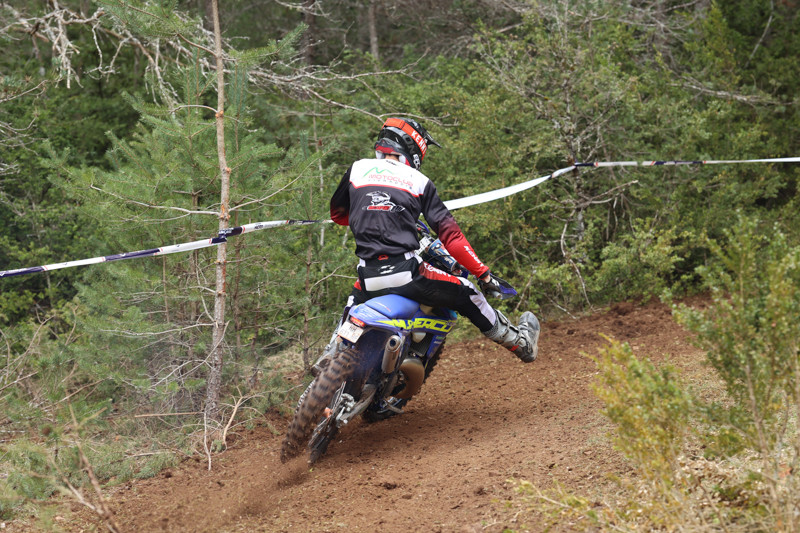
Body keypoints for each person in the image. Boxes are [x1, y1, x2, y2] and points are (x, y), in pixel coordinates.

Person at [314, 117, 540, 375]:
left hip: (367, 275)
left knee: (352, 304)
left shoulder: (357, 169)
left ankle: (332, 351)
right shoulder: (418, 180)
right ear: (414, 147)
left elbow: (338, 215)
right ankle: (520, 344)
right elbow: (451, 237)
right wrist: (484, 274)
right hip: (407, 273)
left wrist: (376, 214)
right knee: (470, 293)